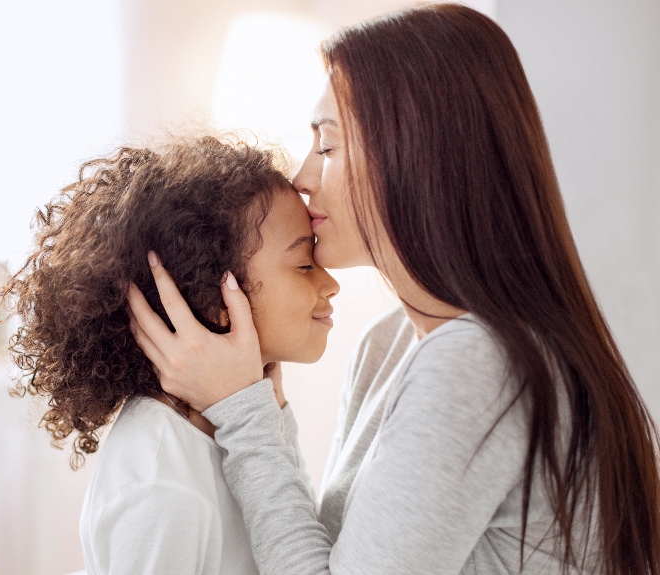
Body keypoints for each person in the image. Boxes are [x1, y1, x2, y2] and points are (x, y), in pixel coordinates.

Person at [127, 4, 660, 575]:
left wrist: (244, 415)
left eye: (326, 146)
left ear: (413, 155)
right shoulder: (388, 345)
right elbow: (327, 556)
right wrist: (264, 408)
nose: (303, 178)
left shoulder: (476, 362)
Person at [0, 134, 339, 574]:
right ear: (216, 296)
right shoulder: (161, 487)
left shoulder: (231, 426)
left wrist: (266, 411)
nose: (330, 283)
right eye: (305, 265)